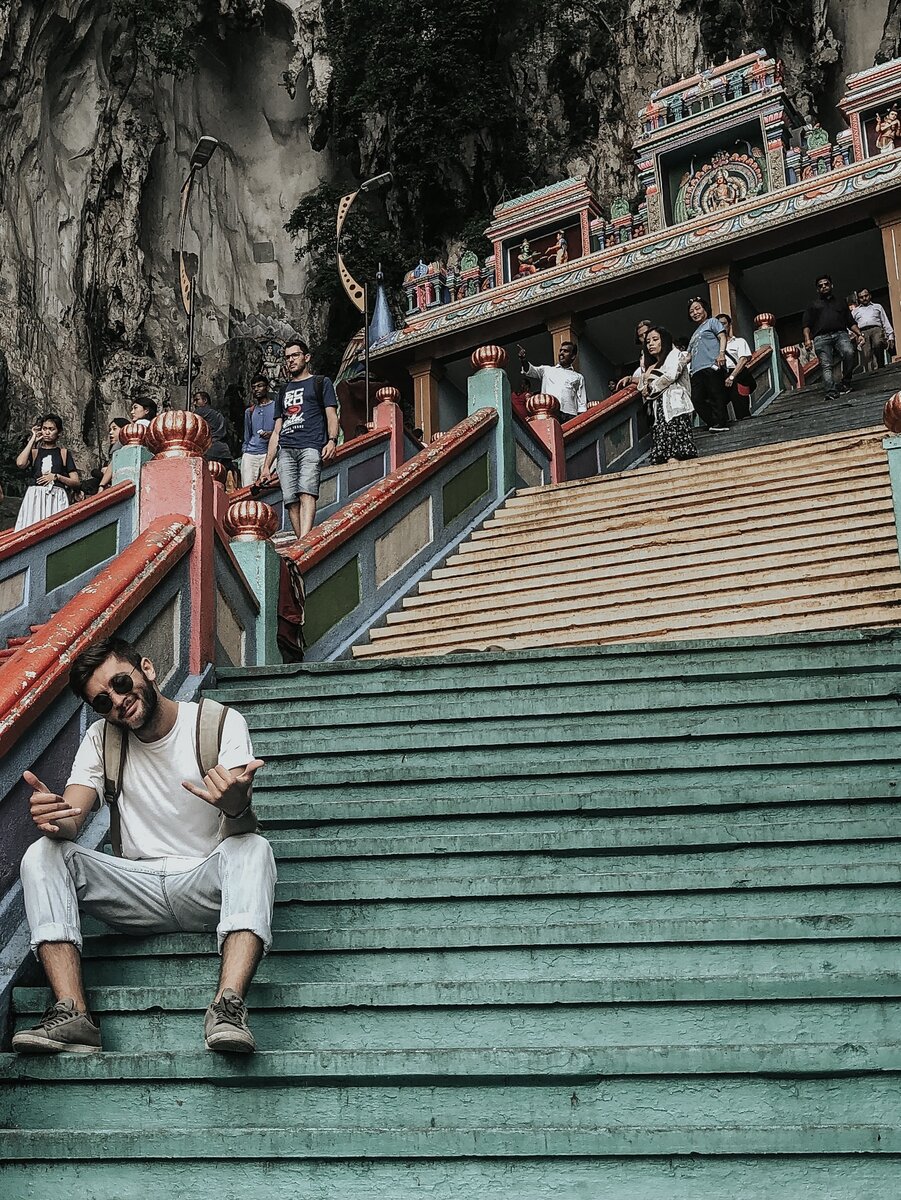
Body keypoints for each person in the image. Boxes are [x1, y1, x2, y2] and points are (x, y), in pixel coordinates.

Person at [12, 636, 276, 1056]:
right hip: (136, 890)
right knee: (41, 854)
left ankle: (227, 1007)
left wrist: (236, 803)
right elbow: (74, 815)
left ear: (147, 670)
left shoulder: (219, 723)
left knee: (254, 847)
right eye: (102, 701)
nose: (117, 701)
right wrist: (56, 819)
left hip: (203, 882)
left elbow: (240, 817)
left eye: (120, 683)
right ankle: (73, 1013)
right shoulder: (102, 740)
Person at [261, 339, 340, 540]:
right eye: (287, 357)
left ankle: (304, 541)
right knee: (290, 499)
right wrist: (266, 467)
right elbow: (277, 431)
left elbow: (332, 415)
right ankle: (302, 542)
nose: (290, 360)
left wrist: (332, 440)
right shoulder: (283, 391)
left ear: (306, 357)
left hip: (311, 445)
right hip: (286, 448)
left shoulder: (321, 382)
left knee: (307, 491)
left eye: (295, 355)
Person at [637, 326, 698, 465]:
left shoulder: (675, 355)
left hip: (674, 406)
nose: (651, 344)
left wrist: (651, 386)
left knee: (675, 452)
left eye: (655, 339)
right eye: (648, 342)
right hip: (658, 409)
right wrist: (646, 387)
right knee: (663, 455)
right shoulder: (650, 366)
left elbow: (671, 375)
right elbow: (641, 386)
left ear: (663, 340)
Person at [13, 413, 80, 531]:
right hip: (35, 496)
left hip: (56, 496)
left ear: (58, 432)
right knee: (31, 528)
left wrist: (57, 477)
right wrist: (33, 439)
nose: (47, 432)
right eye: (44, 429)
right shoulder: (35, 452)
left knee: (56, 530)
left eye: (51, 429)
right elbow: (20, 463)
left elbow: (76, 482)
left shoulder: (63, 453)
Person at [802, 275, 864, 400]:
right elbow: (806, 325)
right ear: (817, 290)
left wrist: (859, 334)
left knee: (849, 352)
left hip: (840, 334)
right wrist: (807, 339)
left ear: (831, 285)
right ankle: (831, 391)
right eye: (820, 286)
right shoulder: (813, 305)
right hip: (821, 338)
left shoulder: (841, 302)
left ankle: (845, 382)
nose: (824, 287)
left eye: (826, 284)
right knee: (826, 365)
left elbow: (850, 321)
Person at [686, 297, 730, 431]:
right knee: (697, 399)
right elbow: (688, 355)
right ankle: (713, 422)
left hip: (712, 364)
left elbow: (722, 336)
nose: (695, 312)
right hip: (696, 370)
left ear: (705, 309)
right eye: (691, 311)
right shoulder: (694, 333)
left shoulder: (712, 322)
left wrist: (721, 353)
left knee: (715, 394)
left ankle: (720, 422)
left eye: (697, 308)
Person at [517, 340, 587, 424]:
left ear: (573, 356)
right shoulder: (547, 370)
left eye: (566, 351)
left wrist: (582, 422)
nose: (561, 353)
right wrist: (523, 359)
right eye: (561, 350)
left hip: (570, 415)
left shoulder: (578, 377)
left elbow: (582, 404)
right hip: (550, 412)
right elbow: (530, 370)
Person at [241, 375, 276, 487]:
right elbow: (247, 435)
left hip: (270, 453)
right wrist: (245, 451)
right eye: (254, 387)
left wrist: (271, 434)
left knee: (271, 486)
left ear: (267, 387)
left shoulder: (276, 407)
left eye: (260, 386)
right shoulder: (250, 411)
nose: (256, 389)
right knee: (248, 488)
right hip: (251, 453)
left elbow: (281, 430)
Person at [716, 313, 753, 420]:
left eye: (723, 324)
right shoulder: (714, 346)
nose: (721, 327)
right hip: (720, 375)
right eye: (718, 325)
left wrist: (732, 376)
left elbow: (743, 359)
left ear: (729, 325)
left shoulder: (739, 342)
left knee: (742, 410)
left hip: (738, 375)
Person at [191, 391, 235, 476]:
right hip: (224, 451)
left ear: (205, 400)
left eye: (197, 400)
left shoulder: (201, 411)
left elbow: (190, 422)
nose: (194, 403)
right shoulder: (219, 415)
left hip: (210, 450)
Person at [851, 288, 895, 373]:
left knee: (878, 343)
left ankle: (881, 366)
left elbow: (885, 321)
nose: (864, 298)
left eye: (866, 296)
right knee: (867, 353)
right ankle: (870, 372)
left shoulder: (877, 307)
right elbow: (851, 324)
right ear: (858, 299)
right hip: (862, 332)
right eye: (861, 297)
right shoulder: (855, 311)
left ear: (870, 296)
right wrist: (853, 335)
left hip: (876, 329)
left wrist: (891, 336)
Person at [614, 318, 653, 390]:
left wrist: (631, 379)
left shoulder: (665, 348)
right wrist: (631, 379)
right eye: (641, 336)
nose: (644, 337)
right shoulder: (643, 356)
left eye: (646, 333)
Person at [97, 417, 130, 491]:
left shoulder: (120, 446)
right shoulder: (114, 448)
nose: (110, 432)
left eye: (114, 429)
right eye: (110, 430)